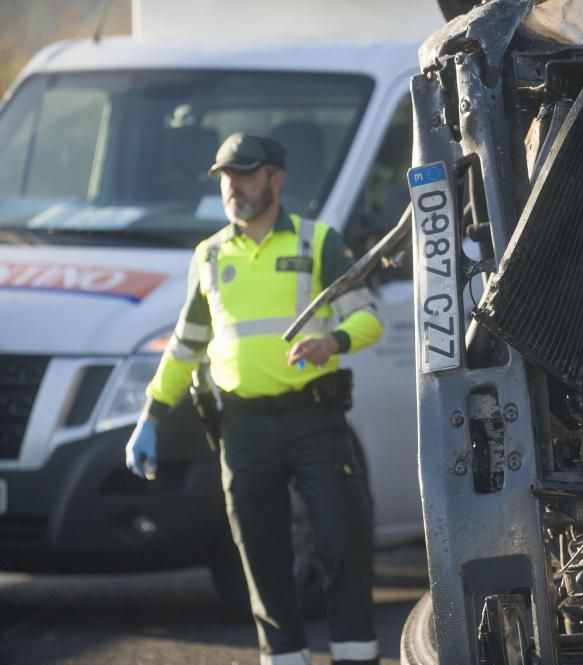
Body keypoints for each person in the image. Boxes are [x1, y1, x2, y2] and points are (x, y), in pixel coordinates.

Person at [124, 132, 383, 665]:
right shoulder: (210, 255)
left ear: (276, 179)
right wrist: (150, 414)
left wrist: (331, 341)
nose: (232, 186)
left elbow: (368, 317)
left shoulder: (319, 242)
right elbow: (187, 345)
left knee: (343, 546)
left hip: (315, 419)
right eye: (224, 176)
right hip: (242, 428)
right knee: (262, 560)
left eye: (243, 173)